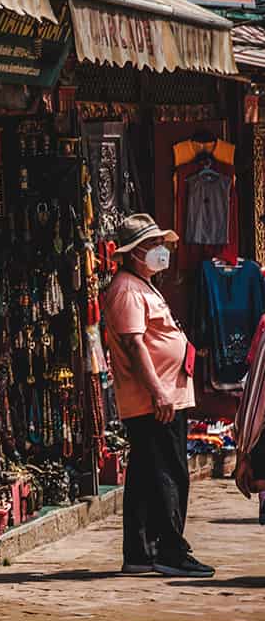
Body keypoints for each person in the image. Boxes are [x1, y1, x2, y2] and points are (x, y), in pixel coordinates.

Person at [102, 214, 214, 578]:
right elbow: (135, 347)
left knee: (148, 474)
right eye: (151, 246)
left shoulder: (143, 285)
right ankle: (170, 549)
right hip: (154, 401)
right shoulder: (127, 289)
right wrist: (160, 393)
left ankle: (141, 551)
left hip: (161, 398)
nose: (159, 251)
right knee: (169, 473)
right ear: (134, 254)